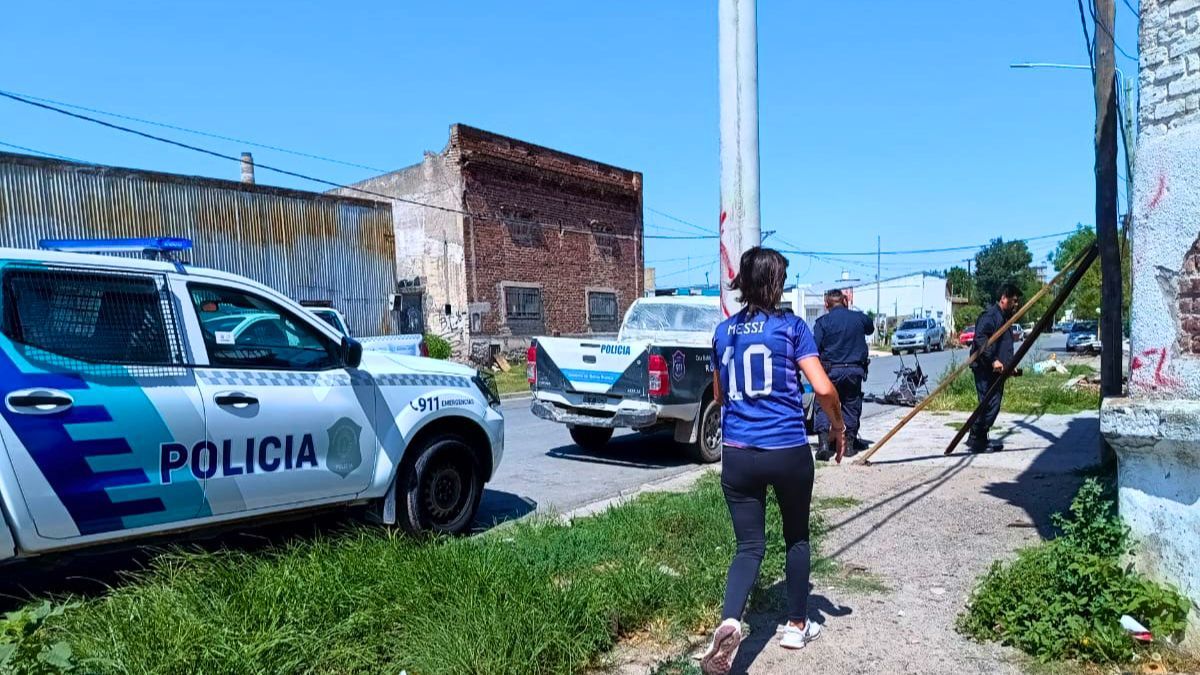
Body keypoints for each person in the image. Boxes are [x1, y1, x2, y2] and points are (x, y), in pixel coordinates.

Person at [699, 247, 847, 675]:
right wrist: (836, 426)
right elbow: (822, 388)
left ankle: (730, 620)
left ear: (743, 282)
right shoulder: (793, 328)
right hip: (787, 451)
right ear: (775, 283)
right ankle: (796, 625)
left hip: (740, 456)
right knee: (796, 537)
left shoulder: (723, 332)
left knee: (748, 546)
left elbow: (721, 395)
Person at [811, 288, 873, 460]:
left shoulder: (822, 322)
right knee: (851, 404)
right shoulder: (858, 318)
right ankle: (849, 445)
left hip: (830, 370)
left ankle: (824, 444)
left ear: (826, 305)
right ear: (845, 301)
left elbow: (814, 348)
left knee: (824, 404)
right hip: (854, 370)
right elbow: (870, 328)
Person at [968, 283, 1022, 453]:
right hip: (985, 369)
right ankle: (976, 437)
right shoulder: (990, 316)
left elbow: (1004, 346)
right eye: (1013, 300)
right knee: (989, 404)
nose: (1016, 304)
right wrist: (992, 361)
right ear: (1003, 298)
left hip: (997, 371)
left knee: (993, 404)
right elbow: (980, 339)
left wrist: (1009, 366)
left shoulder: (1005, 318)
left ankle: (979, 437)